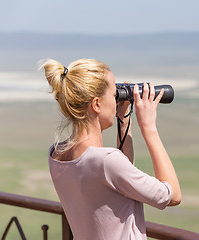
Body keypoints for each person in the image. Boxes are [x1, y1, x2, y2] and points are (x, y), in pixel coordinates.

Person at [40, 59, 181, 240]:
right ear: (96, 104)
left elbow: (120, 185)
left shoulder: (56, 155)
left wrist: (124, 121)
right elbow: (173, 196)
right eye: (115, 95)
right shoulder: (107, 161)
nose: (117, 101)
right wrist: (149, 128)